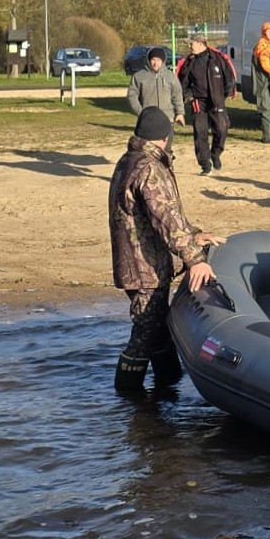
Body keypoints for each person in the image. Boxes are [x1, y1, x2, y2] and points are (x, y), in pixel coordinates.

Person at [109, 107, 223, 396]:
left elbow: (163, 215)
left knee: (158, 330)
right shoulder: (149, 168)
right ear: (164, 138)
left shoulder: (129, 160)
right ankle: (129, 401)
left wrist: (196, 234)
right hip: (146, 267)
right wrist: (195, 259)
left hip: (135, 264)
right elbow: (166, 219)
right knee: (145, 334)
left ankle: (168, 388)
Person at [177, 33, 237, 175]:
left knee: (221, 130)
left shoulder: (217, 58)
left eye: (191, 43)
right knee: (200, 132)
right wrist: (189, 96)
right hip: (198, 101)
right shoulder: (189, 61)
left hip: (217, 100)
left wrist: (225, 94)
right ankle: (205, 164)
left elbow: (229, 78)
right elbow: (182, 81)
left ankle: (215, 154)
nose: (189, 46)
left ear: (200, 43)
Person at [126, 46, 184, 128]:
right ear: (148, 60)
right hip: (148, 120)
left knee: (167, 141)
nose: (155, 63)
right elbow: (132, 96)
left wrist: (180, 113)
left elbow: (177, 95)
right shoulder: (138, 76)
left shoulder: (170, 76)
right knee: (149, 141)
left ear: (163, 61)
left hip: (168, 119)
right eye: (153, 59)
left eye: (158, 60)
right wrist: (142, 112)